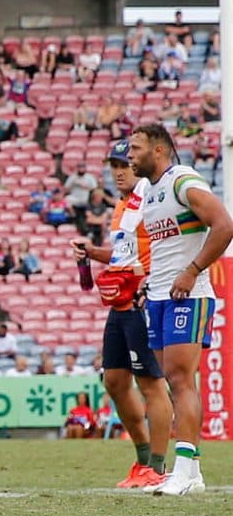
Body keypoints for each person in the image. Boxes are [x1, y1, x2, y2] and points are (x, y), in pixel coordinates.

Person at [128, 124, 233, 495]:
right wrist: (150, 281)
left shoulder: (181, 181)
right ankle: (193, 473)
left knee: (180, 379)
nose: (129, 154)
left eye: (136, 148)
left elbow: (223, 225)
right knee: (173, 382)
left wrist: (191, 272)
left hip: (187, 295)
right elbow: (167, 246)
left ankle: (183, 472)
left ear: (159, 150)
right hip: (159, 295)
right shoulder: (151, 191)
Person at [71, 139, 170, 488]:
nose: (118, 172)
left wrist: (153, 282)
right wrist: (91, 252)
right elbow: (121, 255)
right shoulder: (122, 205)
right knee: (113, 381)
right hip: (120, 304)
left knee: (151, 385)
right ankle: (142, 460)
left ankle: (157, 467)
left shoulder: (152, 194)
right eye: (114, 166)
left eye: (124, 164)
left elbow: (163, 244)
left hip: (143, 300)